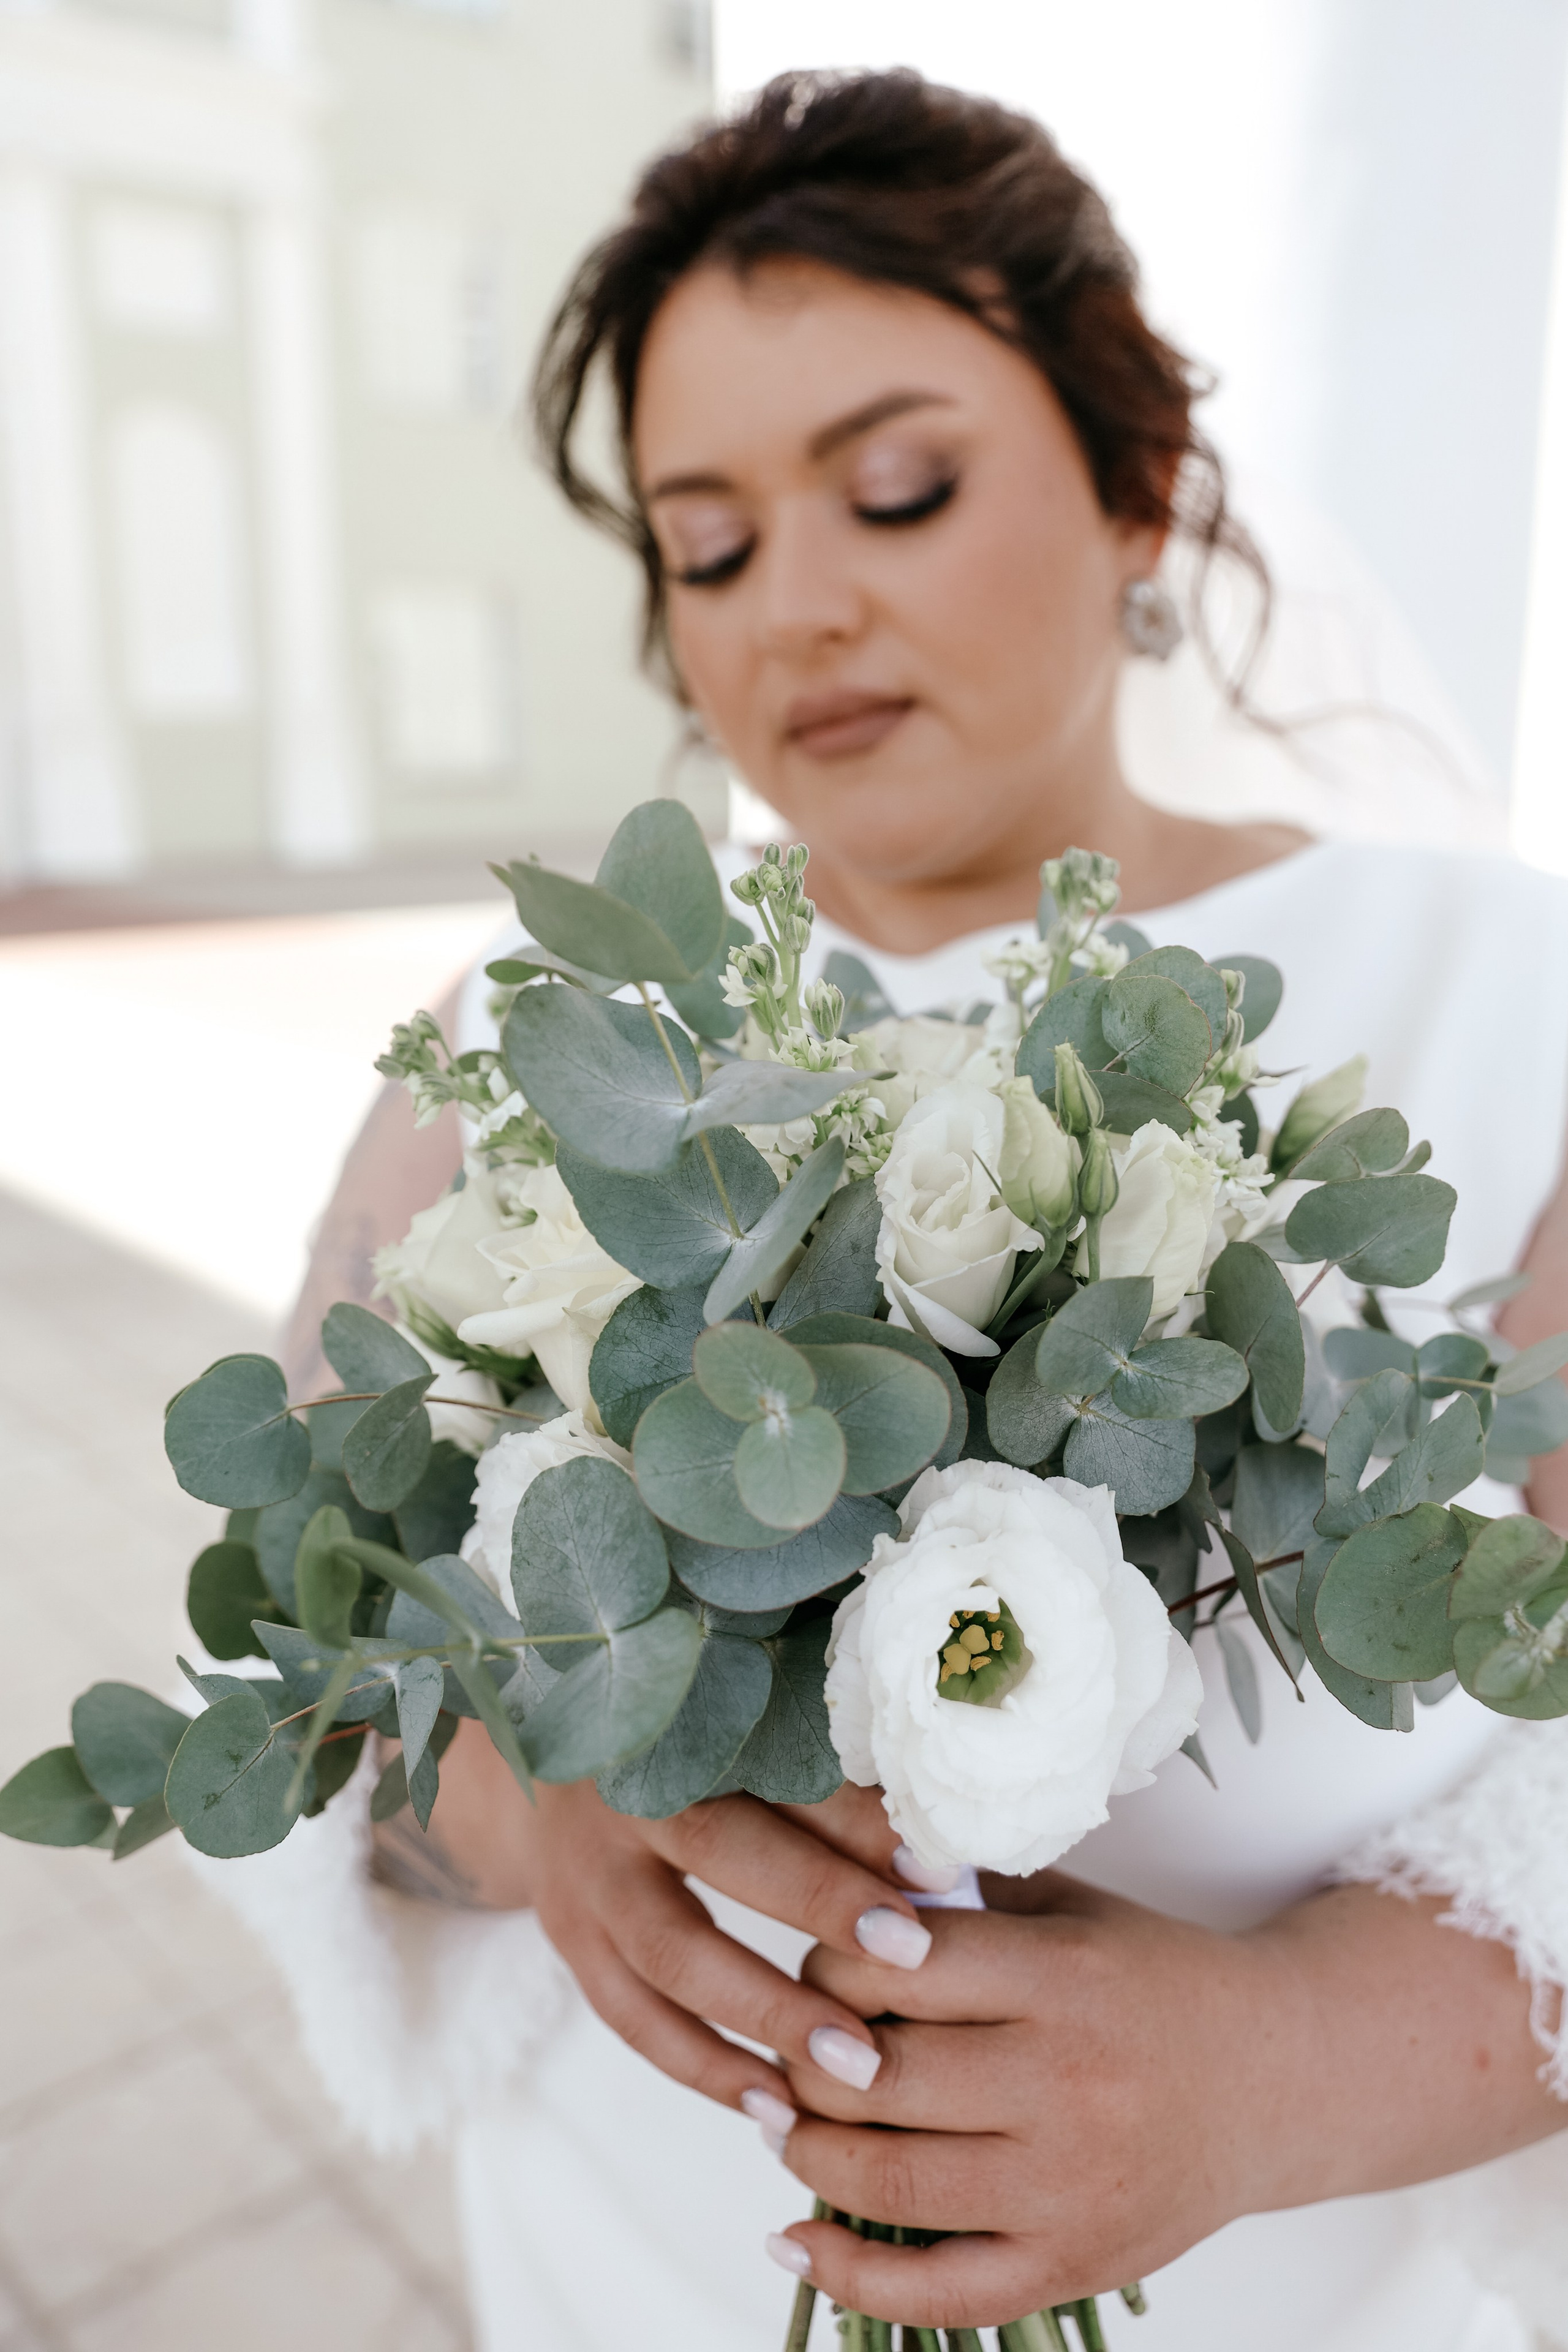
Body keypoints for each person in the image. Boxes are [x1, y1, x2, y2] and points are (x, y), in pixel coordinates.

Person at [228, 70, 1568, 2351]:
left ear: (1137, 479)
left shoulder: (1509, 1001)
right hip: (638, 2263)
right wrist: (527, 1806)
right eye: (712, 544)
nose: (806, 610)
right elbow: (287, 1629)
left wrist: (1276, 2076)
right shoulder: (547, 1038)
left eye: (898, 487)